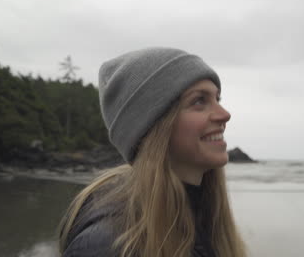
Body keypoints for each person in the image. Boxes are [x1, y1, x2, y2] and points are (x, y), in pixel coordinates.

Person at [58, 47, 247, 257]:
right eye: (199, 101)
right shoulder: (107, 246)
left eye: (217, 99)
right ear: (154, 126)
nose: (224, 114)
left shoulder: (205, 219)